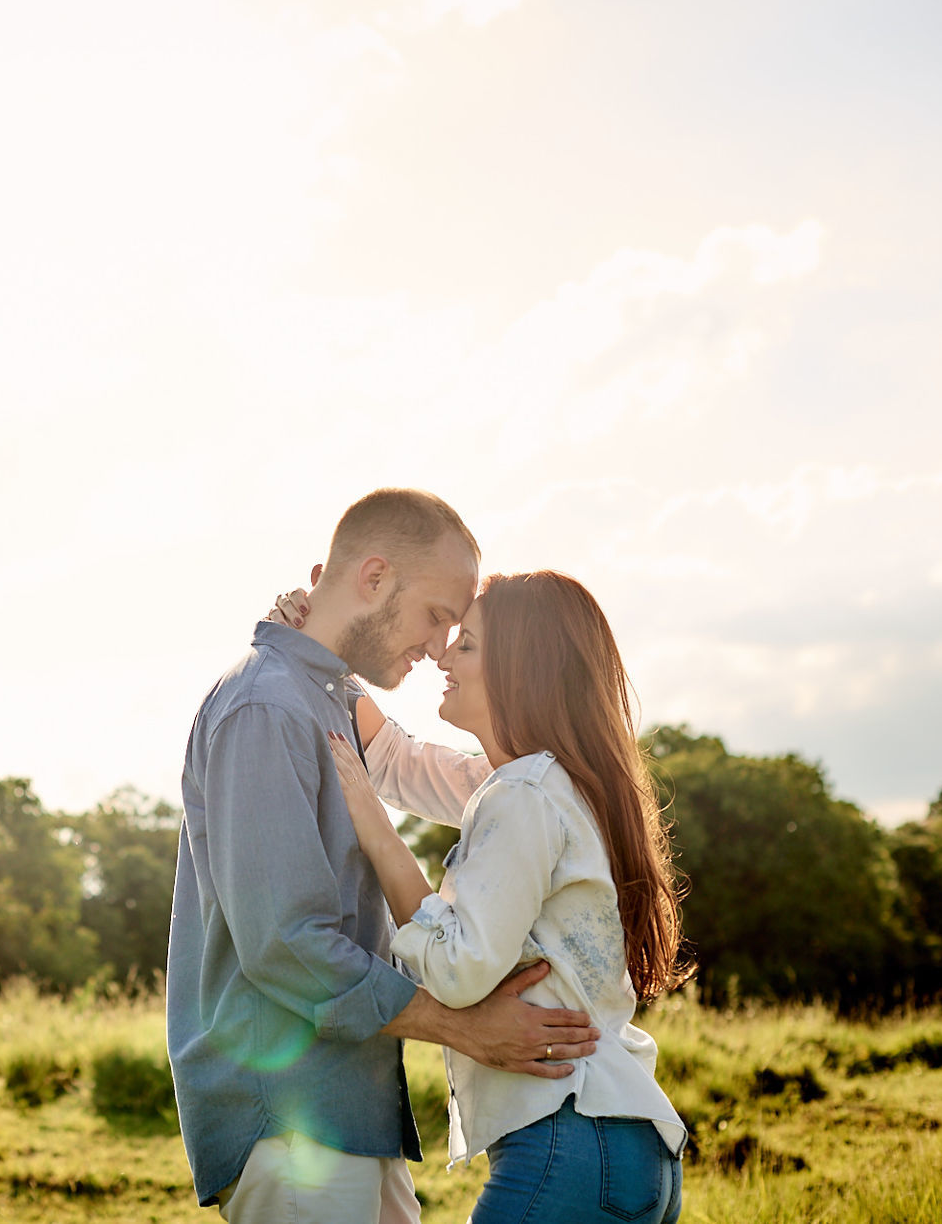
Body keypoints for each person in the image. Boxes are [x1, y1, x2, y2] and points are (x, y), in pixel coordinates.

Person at [169, 489, 605, 1224]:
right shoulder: (267, 705)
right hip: (289, 1118)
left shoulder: (324, 701)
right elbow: (285, 943)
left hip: (353, 1108)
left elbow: (420, 766)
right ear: (373, 578)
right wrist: (459, 1024)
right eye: (438, 616)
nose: (441, 646)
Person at [273, 569, 691, 1224]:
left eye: (465, 646)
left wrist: (377, 831)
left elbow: (459, 970)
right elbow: (395, 762)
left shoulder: (523, 794)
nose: (442, 654)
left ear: (522, 672)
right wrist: (327, 653)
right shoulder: (549, 786)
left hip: (568, 1138)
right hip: (627, 1145)